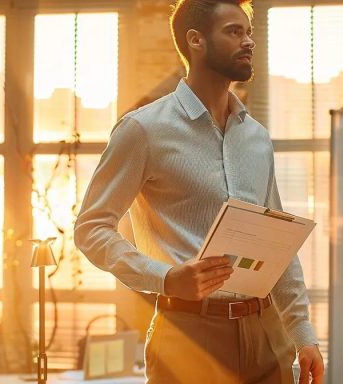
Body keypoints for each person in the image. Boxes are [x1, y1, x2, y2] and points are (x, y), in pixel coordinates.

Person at [74, 0, 324, 382]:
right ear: (196, 40)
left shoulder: (256, 138)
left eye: (249, 32)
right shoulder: (143, 130)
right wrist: (165, 277)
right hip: (188, 336)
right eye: (234, 31)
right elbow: (91, 229)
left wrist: (302, 334)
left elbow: (279, 245)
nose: (249, 41)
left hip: (266, 336)